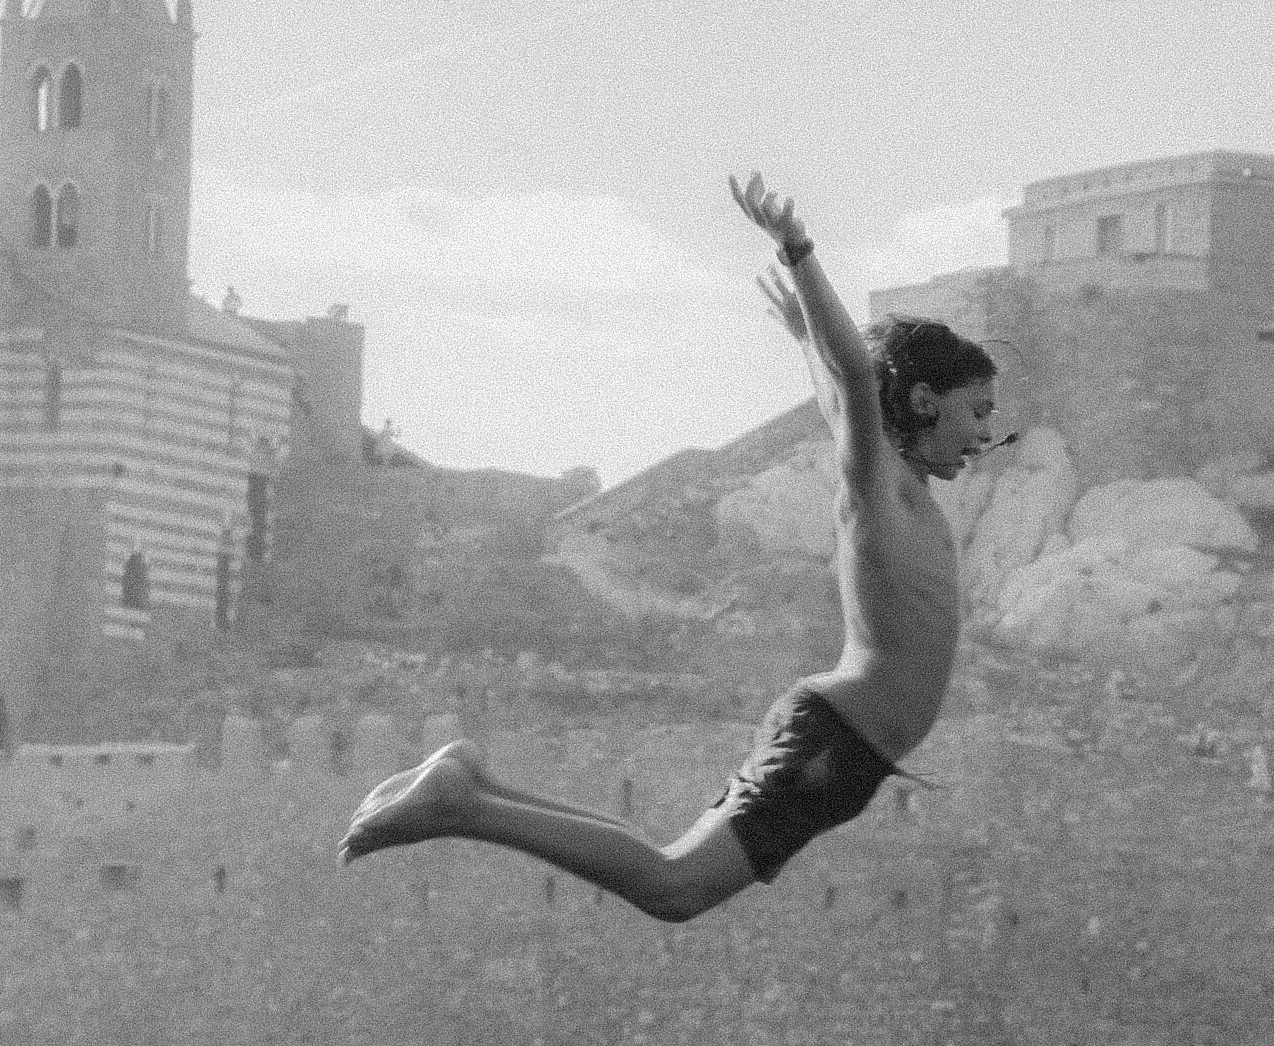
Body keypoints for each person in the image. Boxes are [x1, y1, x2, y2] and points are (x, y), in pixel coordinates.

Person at [337, 173, 997, 919]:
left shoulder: (907, 490)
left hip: (848, 750)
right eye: (976, 411)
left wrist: (801, 337)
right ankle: (463, 804)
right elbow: (853, 380)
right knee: (672, 887)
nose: (985, 434)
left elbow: (845, 388)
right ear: (922, 402)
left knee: (673, 871)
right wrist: (798, 252)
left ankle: (470, 792)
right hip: (834, 744)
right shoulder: (881, 488)